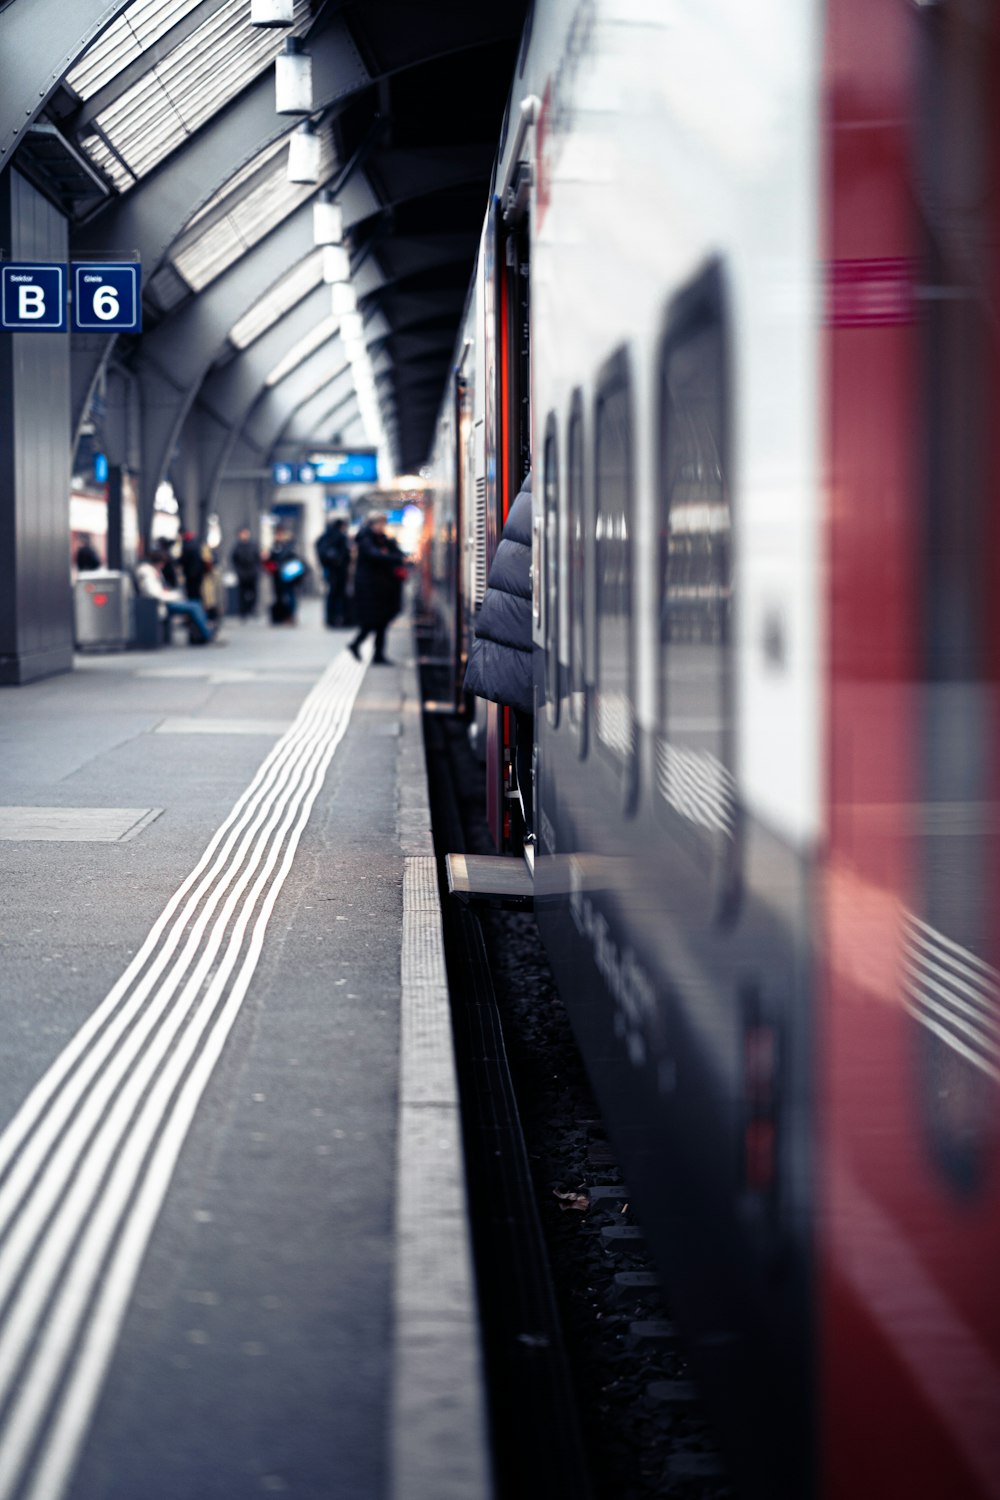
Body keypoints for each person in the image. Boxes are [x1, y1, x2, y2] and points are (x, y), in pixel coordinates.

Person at [463, 471, 534, 840]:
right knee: (531, 727)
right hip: (526, 643)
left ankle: (531, 824)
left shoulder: (529, 497)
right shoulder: (550, 494)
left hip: (517, 639)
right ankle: (532, 827)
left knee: (528, 729)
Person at [347, 514, 407, 664]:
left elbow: (397, 553)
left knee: (382, 622)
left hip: (383, 588)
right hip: (369, 589)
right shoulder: (365, 539)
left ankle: (377, 654)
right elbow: (376, 556)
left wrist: (391, 554)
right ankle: (357, 645)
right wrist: (390, 556)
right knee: (371, 621)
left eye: (383, 524)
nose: (382, 527)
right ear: (372, 525)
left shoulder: (384, 540)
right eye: (379, 524)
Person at [135, 549, 216, 644]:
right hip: (160, 604)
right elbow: (156, 594)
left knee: (195, 603)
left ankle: (204, 631)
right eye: (162, 563)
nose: (163, 566)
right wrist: (175, 596)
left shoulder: (154, 572)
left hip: (164, 601)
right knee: (194, 607)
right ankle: (207, 633)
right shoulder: (147, 573)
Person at [265, 525, 306, 625]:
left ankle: (290, 615)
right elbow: (271, 560)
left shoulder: (288, 547)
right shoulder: (276, 546)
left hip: (288, 576)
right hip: (278, 576)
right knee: (281, 596)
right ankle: (283, 616)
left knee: (290, 595)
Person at [315, 516, 350, 628]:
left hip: (329, 570)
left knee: (331, 594)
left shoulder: (325, 536)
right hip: (338, 571)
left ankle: (330, 619)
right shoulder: (339, 536)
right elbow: (345, 554)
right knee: (338, 595)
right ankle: (339, 618)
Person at [230, 526, 261, 621]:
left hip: (252, 573)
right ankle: (243, 612)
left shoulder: (253, 545)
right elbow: (234, 560)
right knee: (242, 593)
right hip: (242, 573)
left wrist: (256, 570)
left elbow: (257, 559)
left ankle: (251, 609)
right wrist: (238, 571)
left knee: (253, 593)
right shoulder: (237, 547)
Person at [179, 531, 206, 603]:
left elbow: (182, 560)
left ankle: (193, 610)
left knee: (192, 593)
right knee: (197, 592)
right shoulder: (197, 545)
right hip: (199, 573)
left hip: (191, 574)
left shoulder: (186, 546)